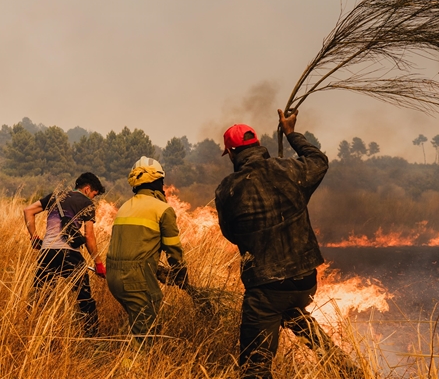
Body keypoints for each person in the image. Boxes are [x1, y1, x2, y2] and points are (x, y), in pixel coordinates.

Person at [216, 109, 356, 379]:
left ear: (231, 153)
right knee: (293, 312)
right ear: (257, 144)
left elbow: (230, 234)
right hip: (305, 281)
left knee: (254, 368)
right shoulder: (291, 170)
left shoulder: (227, 189)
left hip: (267, 286)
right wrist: (292, 134)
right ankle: (346, 370)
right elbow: (319, 159)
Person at [106, 156, 189, 341]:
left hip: (113, 278)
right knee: (146, 335)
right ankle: (135, 366)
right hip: (136, 280)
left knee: (137, 321)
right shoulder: (162, 209)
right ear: (158, 182)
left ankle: (127, 352)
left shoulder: (124, 207)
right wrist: (180, 273)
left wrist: (156, 269)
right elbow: (173, 249)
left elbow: (130, 248)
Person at [23, 172, 106, 336]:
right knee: (84, 299)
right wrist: (98, 263)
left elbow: (28, 210)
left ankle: (31, 332)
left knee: (39, 298)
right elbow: (89, 236)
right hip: (70, 254)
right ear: (87, 188)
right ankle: (91, 336)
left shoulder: (56, 196)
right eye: (94, 194)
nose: (93, 198)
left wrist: (34, 237)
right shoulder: (87, 203)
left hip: (47, 252)